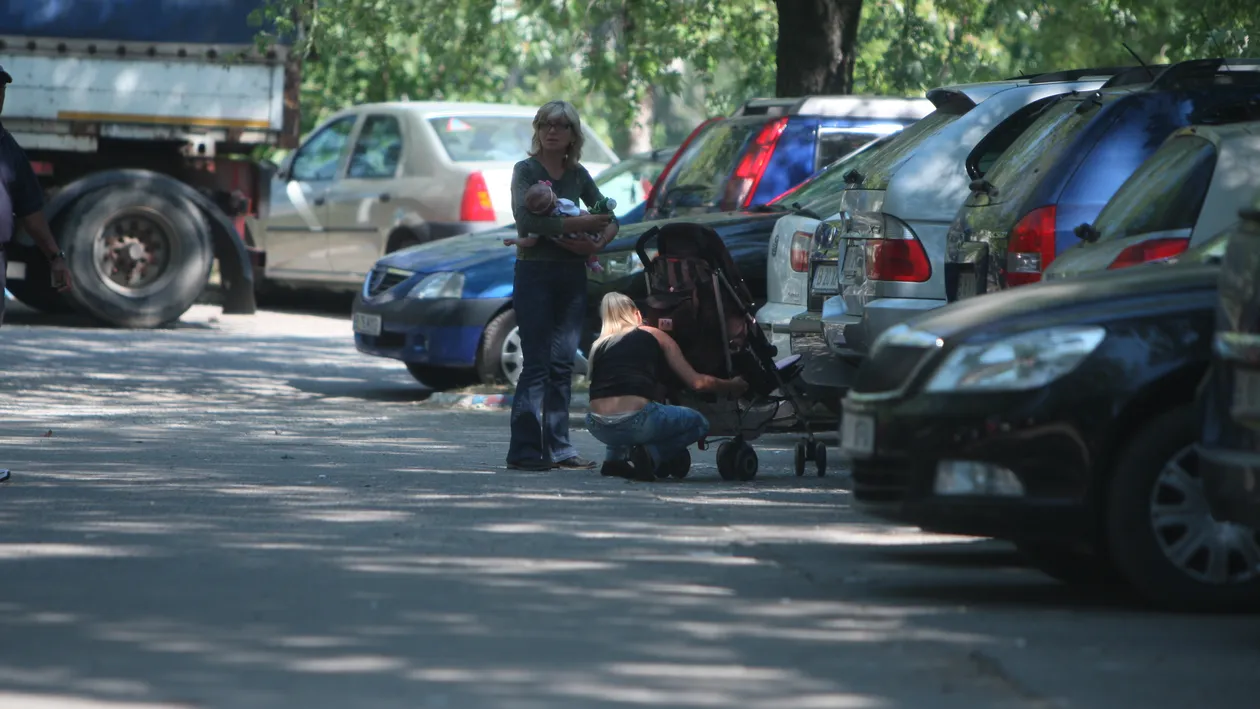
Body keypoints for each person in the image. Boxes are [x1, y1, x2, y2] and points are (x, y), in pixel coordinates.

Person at [505, 100, 619, 472]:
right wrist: (586, 222)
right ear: (537, 131)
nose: (552, 131)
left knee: (562, 364)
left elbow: (610, 218)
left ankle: (559, 449)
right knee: (536, 364)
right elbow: (529, 223)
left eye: (561, 125)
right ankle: (524, 451)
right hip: (535, 275)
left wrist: (596, 243)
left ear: (573, 134)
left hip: (571, 276)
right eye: (545, 124)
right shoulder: (526, 171)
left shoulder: (578, 173)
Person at [0, 64, 75, 483]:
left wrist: (55, 257)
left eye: (1, 90)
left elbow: (31, 213)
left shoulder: (6, 147)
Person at [585, 293, 748, 481]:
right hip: (636, 422)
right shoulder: (653, 334)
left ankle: (613, 462)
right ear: (637, 314)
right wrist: (732, 386)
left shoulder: (599, 346)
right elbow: (697, 383)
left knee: (621, 409)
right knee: (699, 423)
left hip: (597, 425)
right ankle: (651, 455)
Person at [502, 181, 608, 273]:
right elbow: (580, 214)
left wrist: (514, 241)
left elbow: (530, 242)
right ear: (554, 199)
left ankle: (591, 260)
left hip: (566, 244)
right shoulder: (564, 206)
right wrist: (591, 217)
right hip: (585, 236)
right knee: (591, 237)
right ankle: (593, 262)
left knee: (583, 250)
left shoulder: (541, 224)